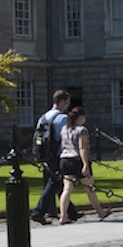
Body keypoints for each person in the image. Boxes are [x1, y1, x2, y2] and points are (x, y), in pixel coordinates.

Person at [57, 105, 111, 223]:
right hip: (77, 160)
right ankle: (100, 212)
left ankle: (63, 216)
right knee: (90, 188)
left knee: (67, 189)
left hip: (65, 160)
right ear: (80, 117)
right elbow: (82, 148)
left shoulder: (64, 129)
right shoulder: (82, 130)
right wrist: (85, 164)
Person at [30, 89, 74, 225]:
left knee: (58, 183)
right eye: (67, 103)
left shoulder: (43, 118)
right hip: (58, 155)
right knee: (53, 183)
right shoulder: (63, 118)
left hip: (46, 156)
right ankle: (38, 212)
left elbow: (38, 139)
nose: (67, 106)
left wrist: (42, 158)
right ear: (61, 102)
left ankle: (72, 212)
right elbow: (66, 139)